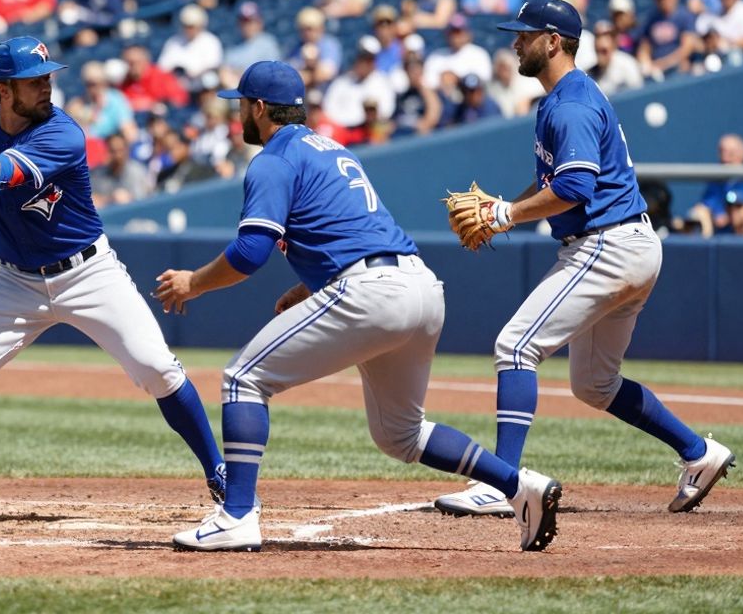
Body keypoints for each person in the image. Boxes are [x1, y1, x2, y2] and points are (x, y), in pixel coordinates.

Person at [155, 60, 561, 553]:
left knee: (244, 379)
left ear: (259, 108)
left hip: (372, 294)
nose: (238, 113)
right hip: (420, 287)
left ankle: (237, 514)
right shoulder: (331, 150)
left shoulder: (273, 159)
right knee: (401, 435)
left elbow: (250, 252)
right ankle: (521, 487)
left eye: (241, 104)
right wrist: (309, 288)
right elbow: (353, 234)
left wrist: (192, 282)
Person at [0, 36, 225, 525]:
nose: (46, 88)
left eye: (46, 79)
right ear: (2, 91)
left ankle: (219, 471)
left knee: (157, 369)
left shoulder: (63, 133)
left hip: (88, 272)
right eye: (33, 82)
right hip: (13, 281)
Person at [432, 0, 735, 520]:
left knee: (514, 346)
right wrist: (506, 205)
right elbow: (557, 183)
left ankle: (504, 484)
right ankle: (698, 452)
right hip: (631, 245)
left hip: (606, 245)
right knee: (593, 384)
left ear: (554, 41)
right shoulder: (569, 96)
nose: (515, 42)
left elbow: (573, 186)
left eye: (525, 35)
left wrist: (505, 214)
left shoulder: (569, 103)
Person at [637, 0, 698, 79]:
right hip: (656, 72)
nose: (663, 1)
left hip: (677, 67)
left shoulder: (684, 16)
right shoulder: (652, 19)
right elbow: (644, 47)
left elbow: (687, 48)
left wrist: (662, 65)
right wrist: (646, 63)